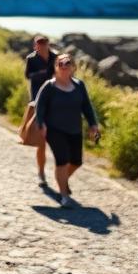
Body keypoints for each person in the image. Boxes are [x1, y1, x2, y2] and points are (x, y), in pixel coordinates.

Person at [34, 53, 100, 208]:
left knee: (76, 162)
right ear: (56, 67)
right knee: (62, 161)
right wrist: (41, 123)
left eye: (67, 63)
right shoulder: (49, 86)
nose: (64, 66)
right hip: (54, 129)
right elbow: (40, 106)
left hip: (75, 129)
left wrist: (93, 124)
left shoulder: (79, 85)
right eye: (60, 64)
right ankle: (64, 196)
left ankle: (62, 181)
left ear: (73, 67)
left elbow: (86, 106)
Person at [20, 35, 57, 185]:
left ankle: (60, 175)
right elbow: (28, 75)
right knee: (41, 142)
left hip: (56, 102)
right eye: (39, 45)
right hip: (38, 103)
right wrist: (44, 73)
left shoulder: (56, 57)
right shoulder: (31, 59)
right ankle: (41, 173)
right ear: (35, 46)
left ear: (48, 44)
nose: (41, 47)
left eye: (44, 44)